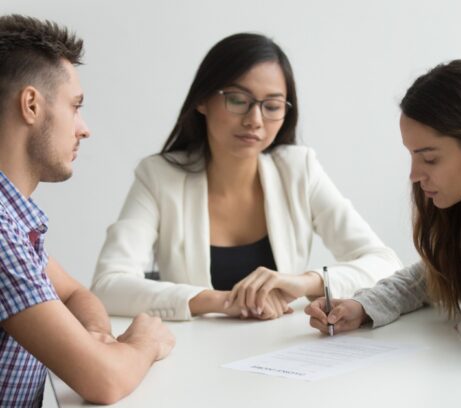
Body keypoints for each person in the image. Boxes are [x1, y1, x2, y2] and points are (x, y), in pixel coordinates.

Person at [91, 33, 402, 321]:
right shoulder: (159, 177)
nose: (255, 120)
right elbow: (108, 286)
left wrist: (304, 282)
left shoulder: (299, 169)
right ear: (202, 100)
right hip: (191, 358)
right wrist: (226, 301)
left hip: (278, 356)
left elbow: (385, 263)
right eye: (238, 100)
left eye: (272, 106)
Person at [305, 59, 461, 370]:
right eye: (412, 155)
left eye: (429, 158)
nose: (414, 175)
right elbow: (427, 278)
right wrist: (362, 306)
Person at [0, 14, 175, 406]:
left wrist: (97, 337)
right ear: (30, 105)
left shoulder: (14, 221)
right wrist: (142, 342)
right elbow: (104, 381)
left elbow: (76, 293)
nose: (84, 128)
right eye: (75, 107)